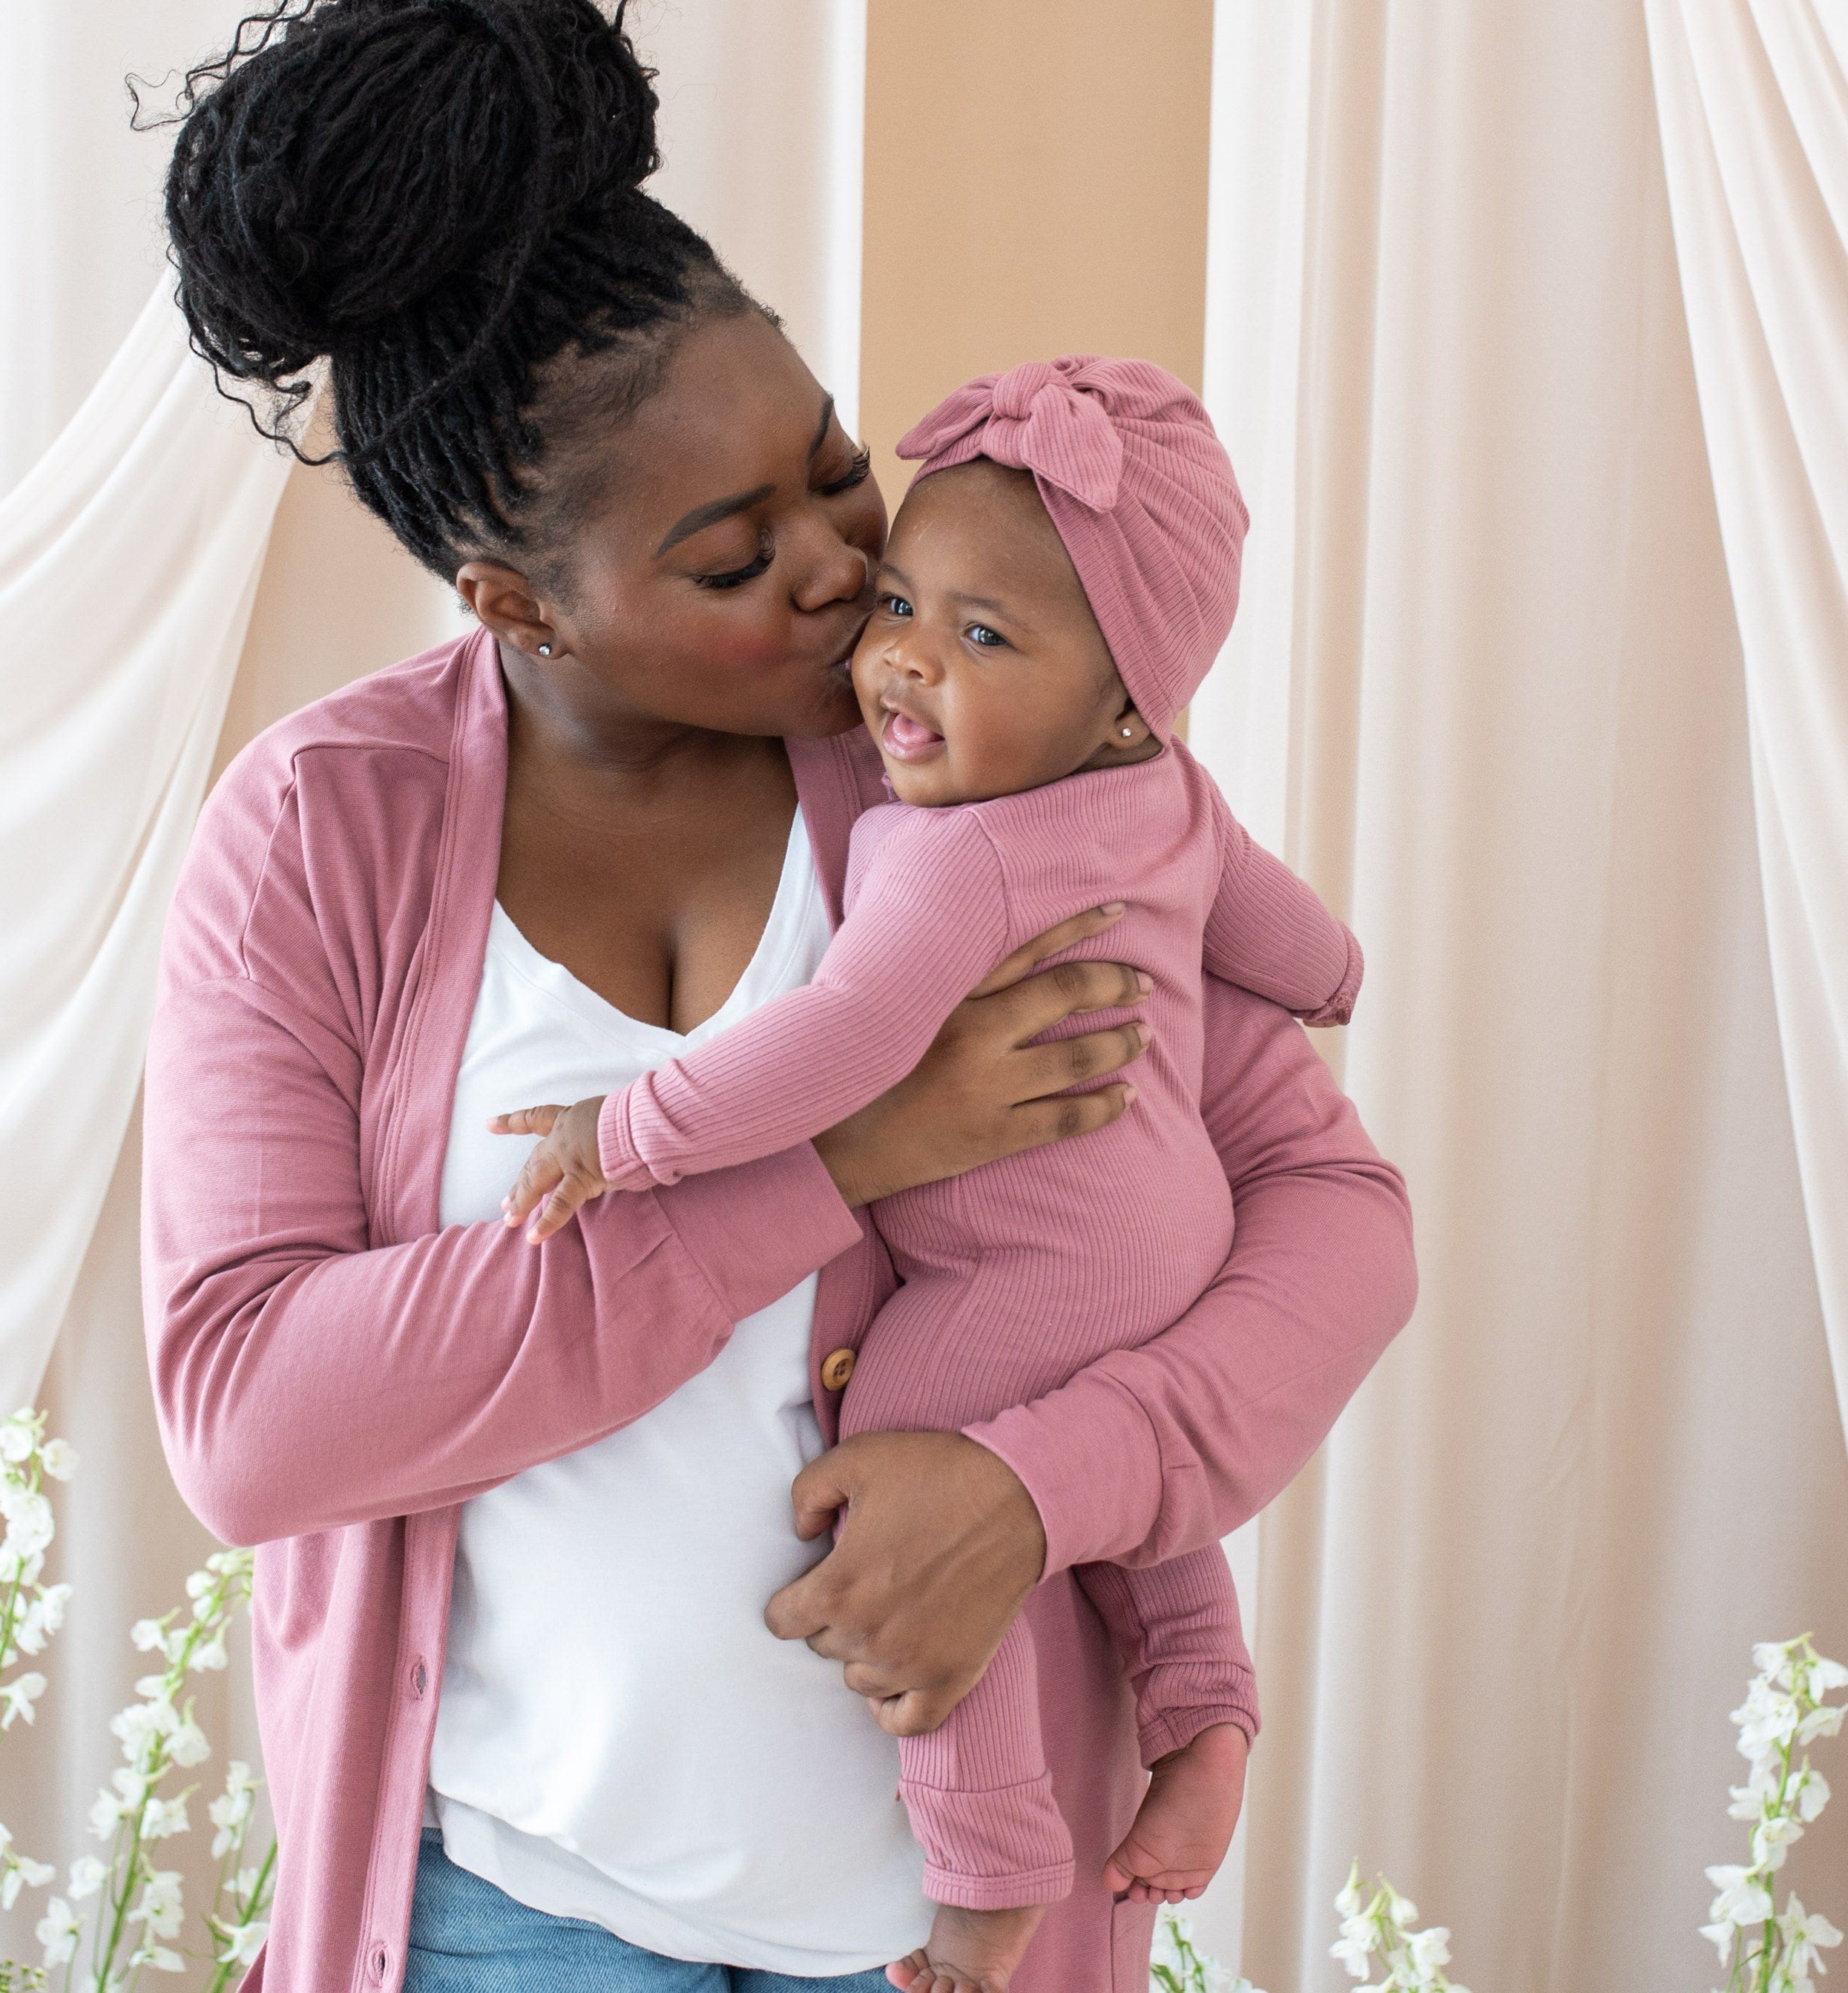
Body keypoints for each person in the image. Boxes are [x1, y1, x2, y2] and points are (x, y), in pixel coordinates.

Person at [139, 0, 1415, 1993]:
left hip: (950, 1937)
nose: (849, 571)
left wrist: (1035, 1486)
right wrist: (842, 1159)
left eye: (836, 468)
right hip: (509, 1916)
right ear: (517, 600)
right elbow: (249, 1415)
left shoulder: (966, 778)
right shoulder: (320, 839)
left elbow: (1337, 1213)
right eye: (735, 557)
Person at [490, 354, 1363, 1993]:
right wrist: (1335, 985)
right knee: (1132, 1490)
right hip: (1165, 1225)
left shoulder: (958, 862)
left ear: (1122, 700)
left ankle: (987, 1864)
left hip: (1024, 1265)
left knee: (904, 1468)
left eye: (983, 638)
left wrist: (628, 1134)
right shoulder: (1169, 796)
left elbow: (839, 1043)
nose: (900, 658)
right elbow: (1279, 925)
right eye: (905, 601)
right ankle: (1205, 1711)